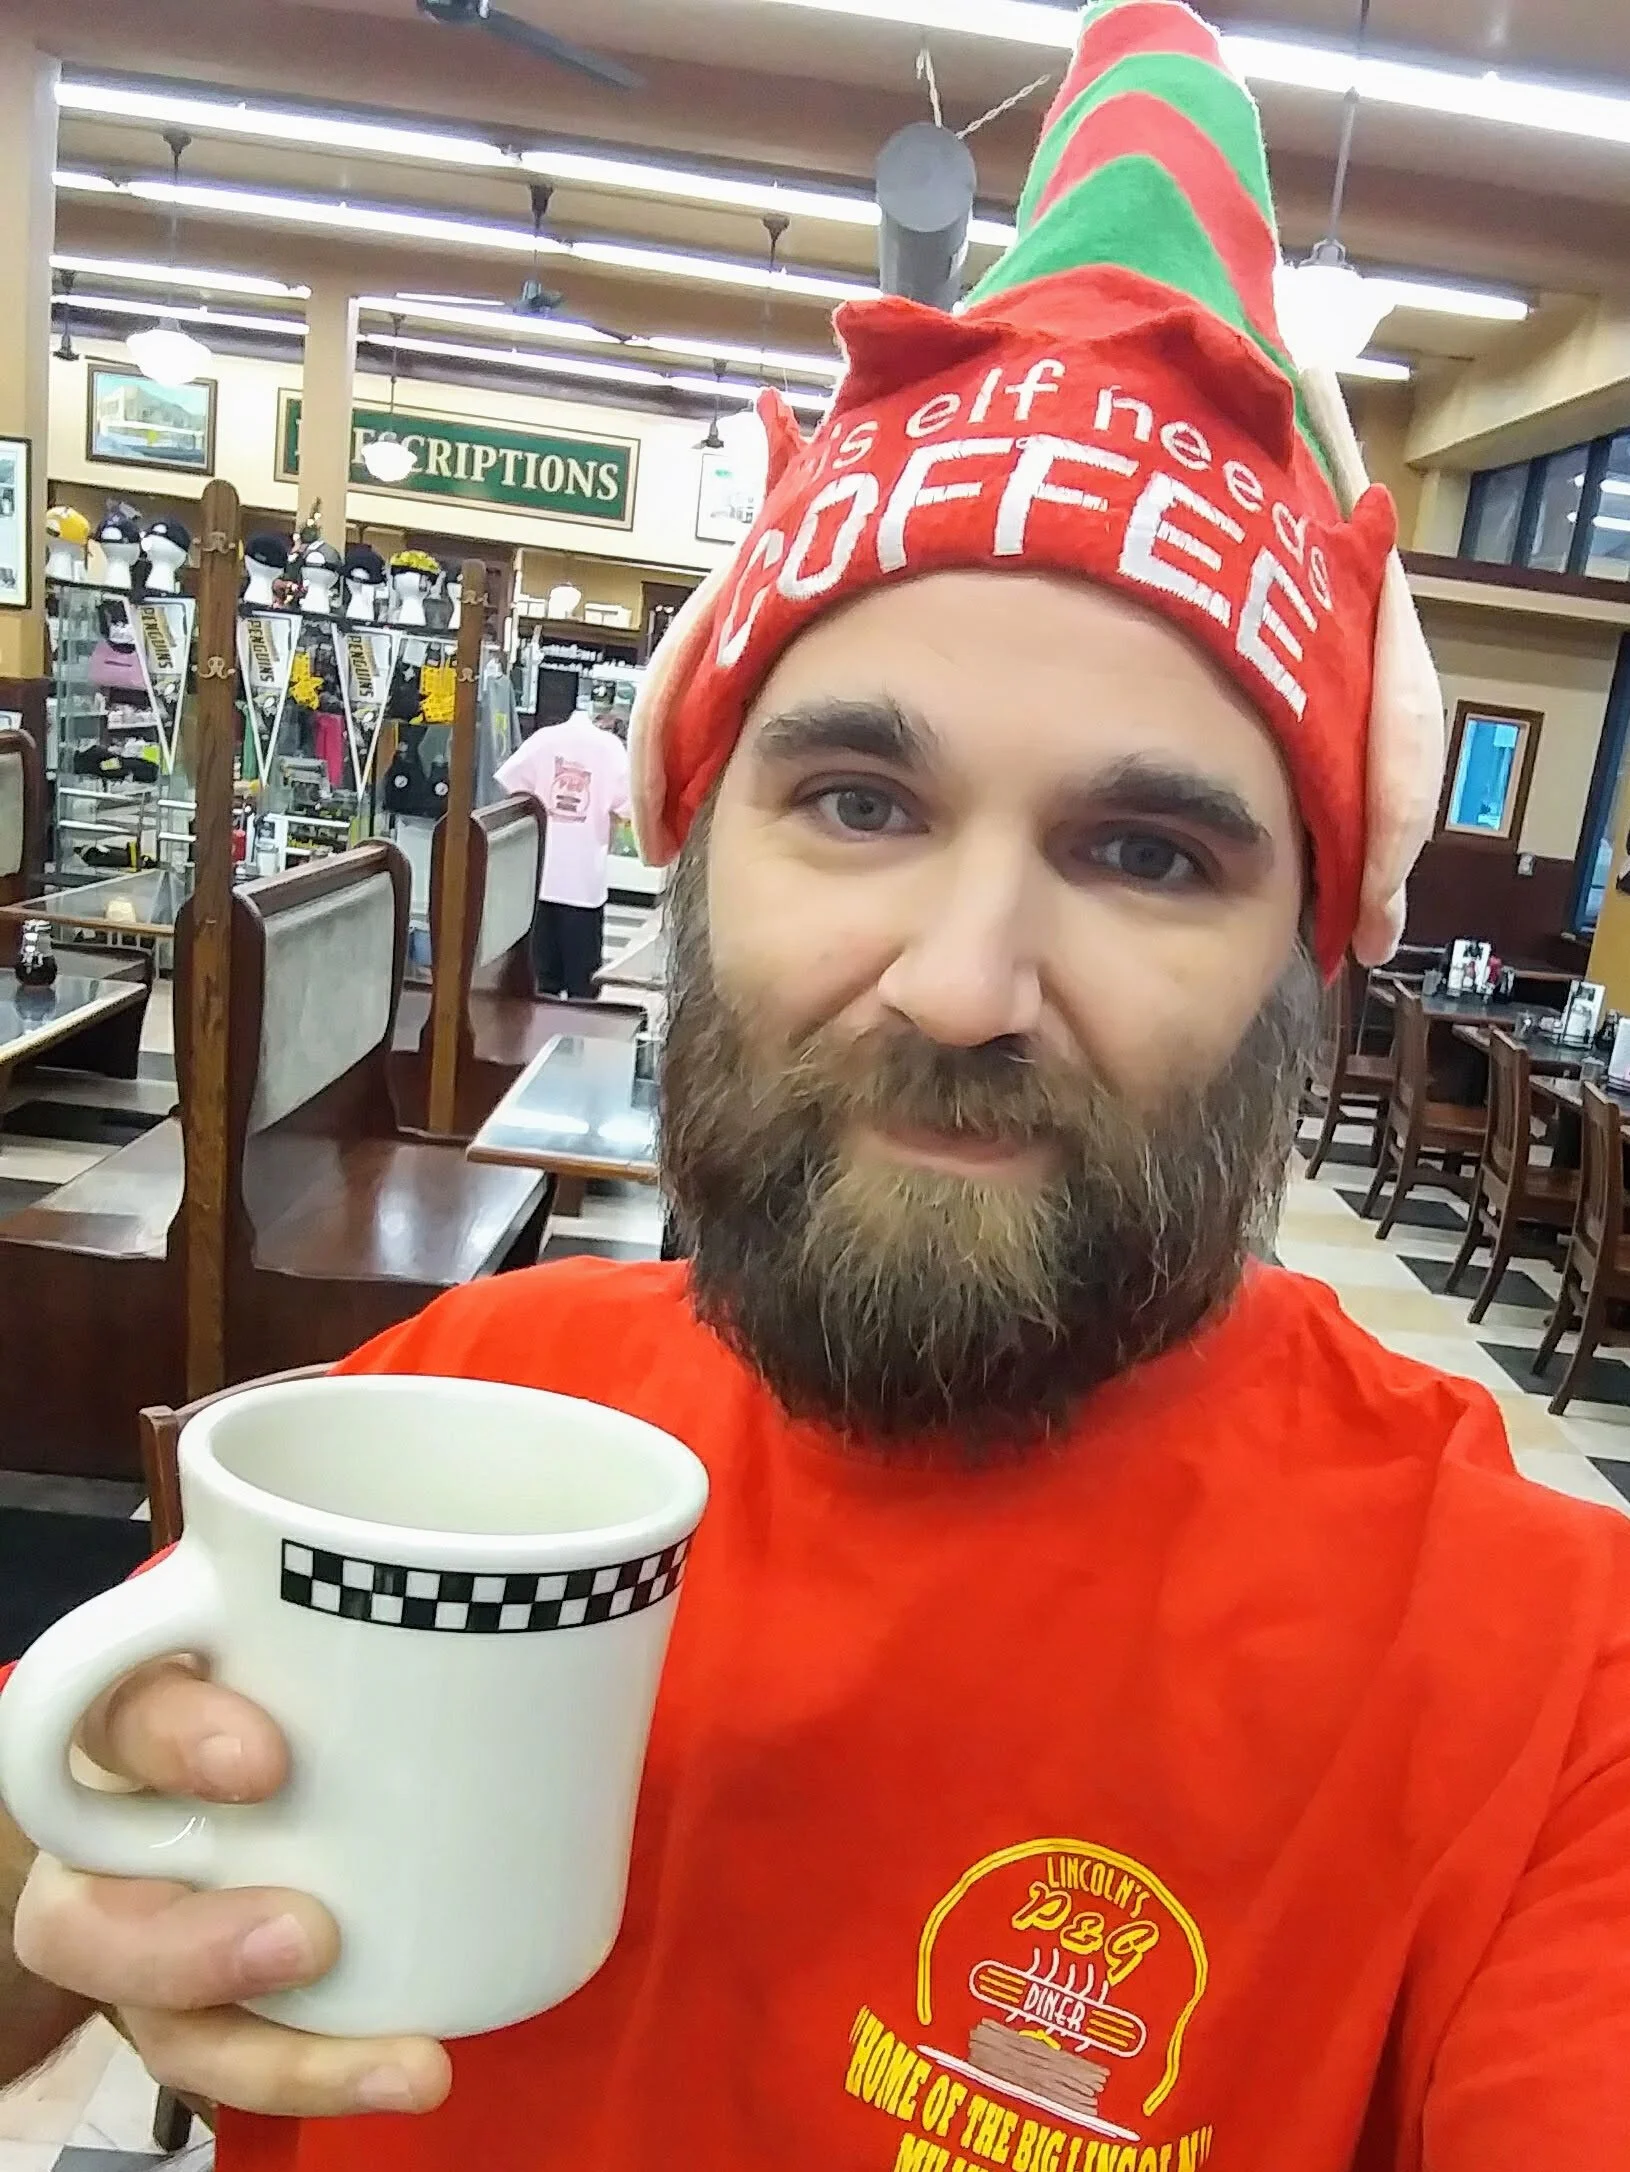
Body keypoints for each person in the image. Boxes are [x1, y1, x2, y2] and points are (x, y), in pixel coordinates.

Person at [5, 5, 1628, 2167]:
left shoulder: (1537, 1676)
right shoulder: (440, 1418)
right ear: (696, 849)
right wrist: (50, 1897)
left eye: (1149, 853)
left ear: (1302, 964)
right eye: (859, 803)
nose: (960, 986)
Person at [496, 699, 632, 998]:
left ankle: (539, 1028)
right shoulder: (610, 749)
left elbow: (510, 784)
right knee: (583, 984)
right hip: (585, 883)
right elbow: (627, 807)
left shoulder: (544, 740)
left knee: (540, 983)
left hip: (539, 877)